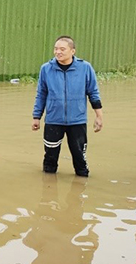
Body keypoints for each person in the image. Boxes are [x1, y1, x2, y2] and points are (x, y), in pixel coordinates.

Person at [32, 36, 103, 177]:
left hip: (77, 120)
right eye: (56, 49)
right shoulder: (46, 69)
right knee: (50, 159)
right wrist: (36, 117)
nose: (58, 52)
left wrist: (99, 116)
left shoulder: (85, 68)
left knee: (80, 159)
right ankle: (48, 192)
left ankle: (81, 191)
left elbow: (93, 92)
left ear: (72, 51)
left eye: (62, 49)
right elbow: (41, 94)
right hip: (53, 120)